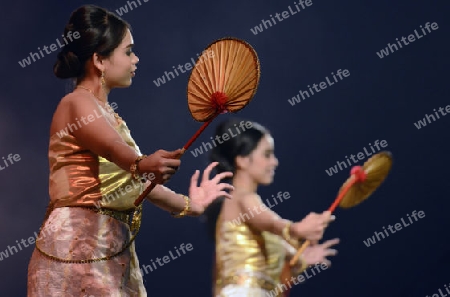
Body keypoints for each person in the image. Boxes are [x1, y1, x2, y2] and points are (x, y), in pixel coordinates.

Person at [27, 4, 233, 297]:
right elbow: (114, 151)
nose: (136, 59)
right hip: (77, 244)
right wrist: (143, 163)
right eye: (128, 51)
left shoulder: (109, 114)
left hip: (110, 248)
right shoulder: (76, 103)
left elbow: (135, 179)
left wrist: (190, 205)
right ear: (99, 59)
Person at [202, 118, 340, 297]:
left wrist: (300, 260)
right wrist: (296, 229)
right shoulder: (243, 198)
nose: (274, 162)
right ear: (242, 160)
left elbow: (274, 267)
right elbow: (272, 223)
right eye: (267, 154)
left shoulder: (249, 214)